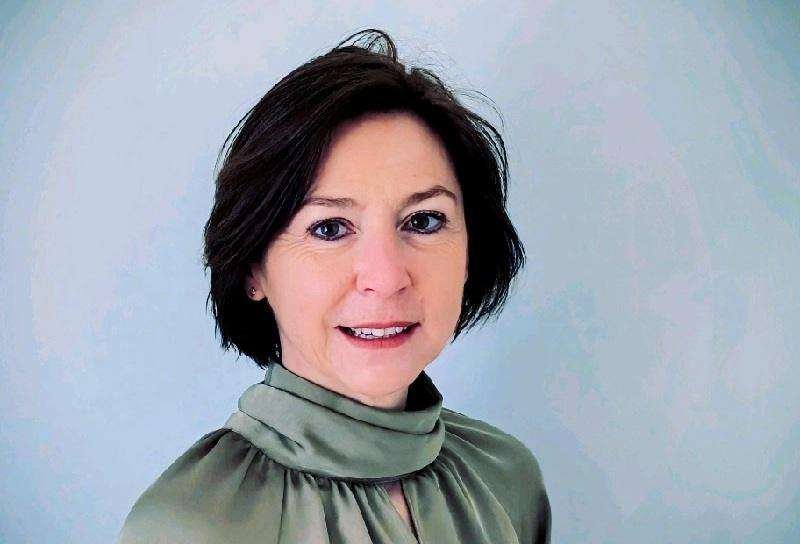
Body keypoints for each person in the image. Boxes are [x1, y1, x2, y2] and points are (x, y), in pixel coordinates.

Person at [117, 28, 551, 544]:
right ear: (253, 267)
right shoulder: (189, 527)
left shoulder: (508, 480)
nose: (386, 278)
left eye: (424, 221)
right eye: (329, 229)